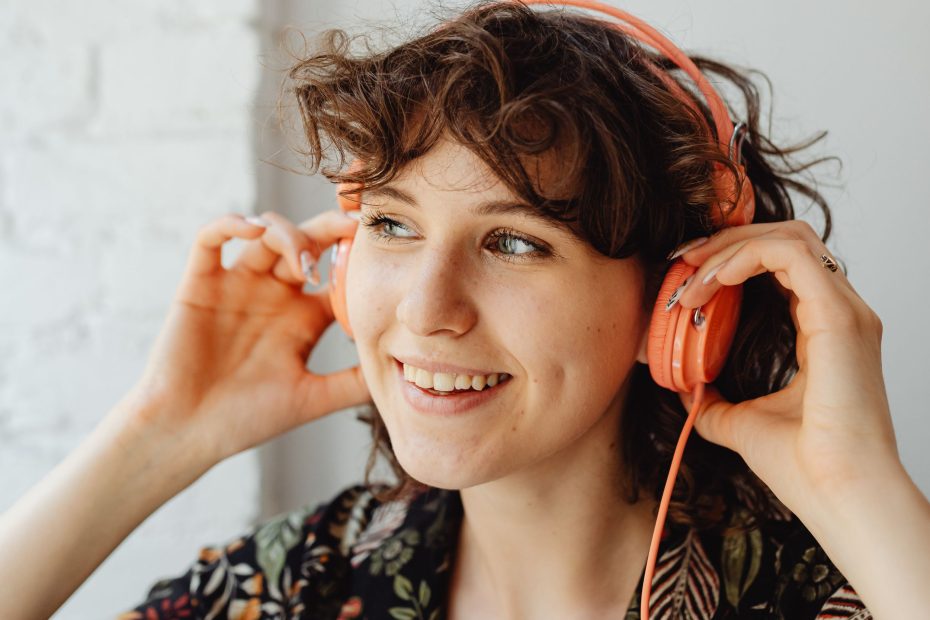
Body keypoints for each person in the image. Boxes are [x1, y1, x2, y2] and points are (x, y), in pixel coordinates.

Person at [1, 1, 927, 618]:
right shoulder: (304, 583)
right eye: (396, 227)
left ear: (681, 302)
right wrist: (154, 436)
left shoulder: (833, 590)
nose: (427, 310)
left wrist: (862, 494)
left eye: (515, 242)